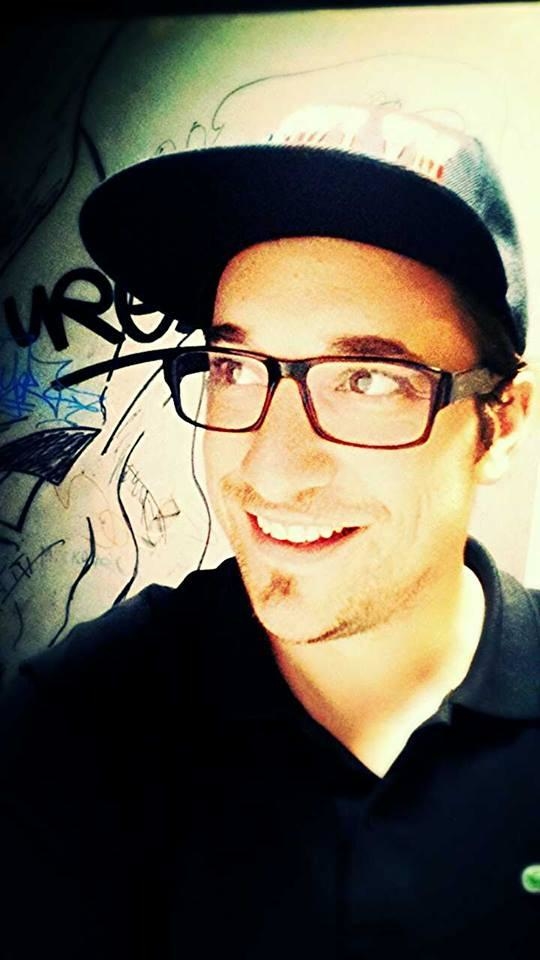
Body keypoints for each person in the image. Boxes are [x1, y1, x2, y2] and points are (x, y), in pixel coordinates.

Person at [1, 102, 539, 959]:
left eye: (369, 378)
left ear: (501, 422)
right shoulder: (82, 729)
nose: (273, 468)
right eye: (233, 366)